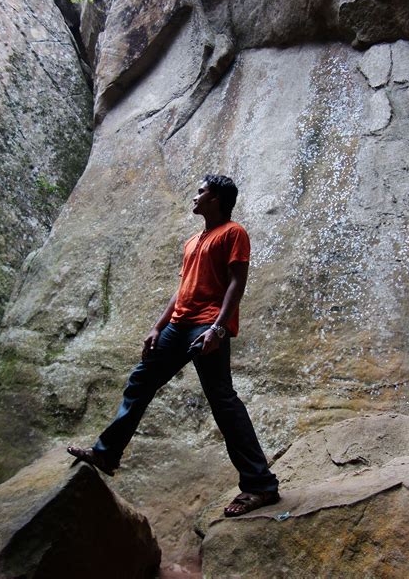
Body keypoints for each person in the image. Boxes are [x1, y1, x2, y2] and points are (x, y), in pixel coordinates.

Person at [68, 174, 279, 517]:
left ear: (216, 199)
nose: (195, 196)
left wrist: (218, 329)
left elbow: (237, 283)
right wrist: (157, 326)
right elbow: (181, 289)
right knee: (141, 382)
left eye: (201, 191)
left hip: (205, 326)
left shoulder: (233, 233)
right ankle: (107, 453)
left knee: (223, 401)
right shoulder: (193, 240)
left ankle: (261, 486)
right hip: (178, 325)